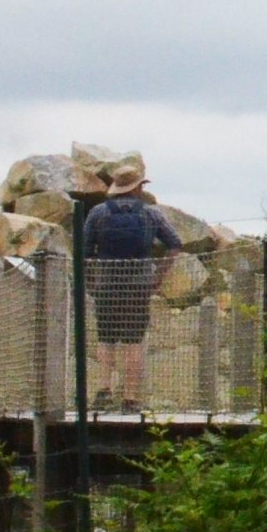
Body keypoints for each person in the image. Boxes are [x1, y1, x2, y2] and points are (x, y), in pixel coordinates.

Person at [80, 161, 181, 407]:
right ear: (137, 188)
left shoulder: (98, 213)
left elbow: (83, 250)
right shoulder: (151, 213)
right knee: (133, 340)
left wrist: (91, 280)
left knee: (106, 338)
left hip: (106, 283)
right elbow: (175, 244)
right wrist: (158, 277)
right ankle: (130, 397)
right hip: (139, 285)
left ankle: (103, 391)